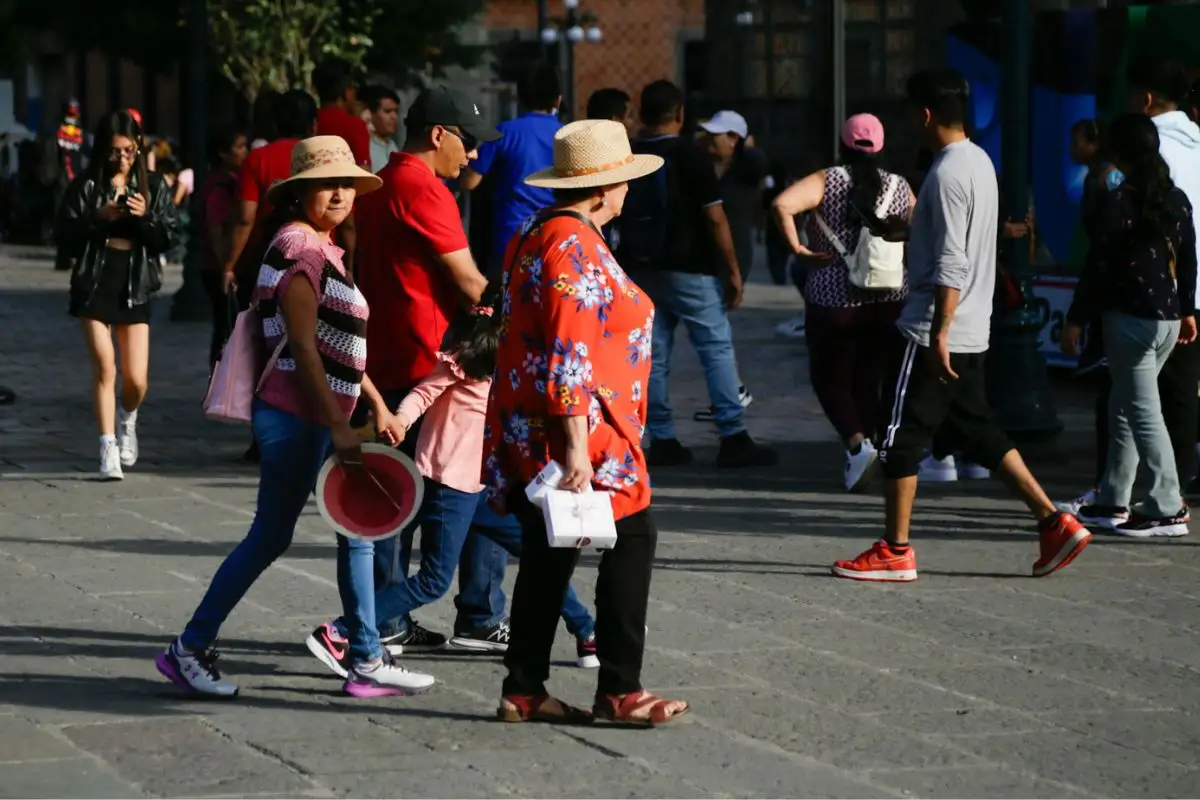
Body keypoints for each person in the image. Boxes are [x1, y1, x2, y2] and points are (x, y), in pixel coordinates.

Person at [155, 136, 435, 699]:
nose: (339, 194)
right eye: (327, 184)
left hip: (321, 411)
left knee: (355, 532)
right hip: (298, 414)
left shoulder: (321, 247)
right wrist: (337, 422)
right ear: (301, 191)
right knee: (271, 537)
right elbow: (304, 348)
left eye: (347, 185)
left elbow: (338, 346)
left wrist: (376, 403)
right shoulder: (299, 248)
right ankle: (189, 647)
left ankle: (364, 657)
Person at [832, 69, 1090, 582]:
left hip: (933, 328)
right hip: (973, 325)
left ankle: (895, 549)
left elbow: (952, 259)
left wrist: (939, 332)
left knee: (899, 434)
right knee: (979, 432)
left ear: (924, 114)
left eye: (910, 113)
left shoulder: (946, 173)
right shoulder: (978, 162)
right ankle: (1054, 521)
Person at [484, 119, 689, 726]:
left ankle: (524, 687)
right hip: (586, 431)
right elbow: (571, 351)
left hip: (530, 420)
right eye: (624, 181)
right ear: (602, 188)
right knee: (634, 537)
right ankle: (621, 689)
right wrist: (575, 450)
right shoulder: (574, 245)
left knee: (551, 553)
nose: (629, 192)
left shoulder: (535, 230)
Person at [308, 297, 601, 677]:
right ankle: (340, 631)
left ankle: (587, 631)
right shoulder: (477, 349)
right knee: (433, 581)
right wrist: (400, 419)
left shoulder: (531, 355)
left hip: (482, 482)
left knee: (538, 552)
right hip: (451, 483)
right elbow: (424, 392)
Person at [354, 84, 497, 652]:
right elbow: (469, 284)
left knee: (394, 500)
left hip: (384, 352)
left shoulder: (379, 182)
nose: (474, 155)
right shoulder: (426, 189)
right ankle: (400, 619)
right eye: (468, 143)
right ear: (439, 135)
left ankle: (388, 617)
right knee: (438, 493)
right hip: (425, 358)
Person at [620, 80, 777, 469]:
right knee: (715, 348)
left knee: (653, 355)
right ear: (680, 114)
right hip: (691, 267)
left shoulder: (631, 153)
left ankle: (663, 438)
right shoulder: (689, 154)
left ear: (641, 114)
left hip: (642, 265)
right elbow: (714, 216)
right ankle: (732, 434)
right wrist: (734, 269)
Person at [1060, 114, 1196, 537]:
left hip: (1130, 320)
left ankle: (1166, 504)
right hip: (1167, 318)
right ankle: (1112, 499)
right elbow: (1189, 257)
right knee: (1125, 404)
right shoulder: (1174, 198)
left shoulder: (1118, 202)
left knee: (1140, 409)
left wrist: (1077, 318)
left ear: (1116, 153)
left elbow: (1100, 266)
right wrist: (1188, 309)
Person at [772, 113, 914, 492]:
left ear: (844, 143)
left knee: (829, 377)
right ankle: (865, 446)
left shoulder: (828, 179)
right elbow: (919, 228)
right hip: (888, 297)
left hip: (832, 297)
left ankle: (856, 444)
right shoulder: (900, 186)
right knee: (870, 377)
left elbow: (782, 205)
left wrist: (798, 248)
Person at [57, 110, 180, 480]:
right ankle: (107, 446)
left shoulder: (154, 185)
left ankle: (128, 419)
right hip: (95, 280)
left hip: (135, 281)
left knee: (137, 380)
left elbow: (169, 239)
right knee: (105, 367)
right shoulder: (87, 186)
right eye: (114, 152)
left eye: (128, 151)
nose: (122, 159)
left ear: (139, 146)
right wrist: (99, 217)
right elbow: (64, 238)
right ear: (102, 151)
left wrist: (145, 218)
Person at [1127, 57, 1200, 491]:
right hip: (1194, 284)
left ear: (1147, 99)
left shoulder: (1151, 149)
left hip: (1161, 289)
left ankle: (1160, 487)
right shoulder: (1197, 142)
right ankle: (1179, 477)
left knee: (1141, 392)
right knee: (1183, 388)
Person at [461, 62, 562, 277]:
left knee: (505, 304)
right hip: (556, 235)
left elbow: (470, 181)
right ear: (558, 100)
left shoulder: (504, 132)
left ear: (521, 98)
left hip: (510, 235)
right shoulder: (567, 135)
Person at [228, 89, 318, 307]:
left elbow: (245, 218)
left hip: (265, 259)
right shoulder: (322, 159)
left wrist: (229, 265)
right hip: (317, 256)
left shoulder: (258, 159)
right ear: (313, 124)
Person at [197, 129, 250, 369]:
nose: (245, 152)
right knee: (225, 328)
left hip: (224, 264)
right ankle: (221, 383)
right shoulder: (220, 187)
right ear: (222, 153)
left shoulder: (233, 182)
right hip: (219, 266)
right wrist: (226, 267)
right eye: (239, 147)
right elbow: (217, 231)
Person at [361, 84, 401, 173]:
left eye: (396, 111)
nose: (394, 116)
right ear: (371, 113)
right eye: (388, 111)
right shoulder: (365, 146)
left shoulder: (392, 146)